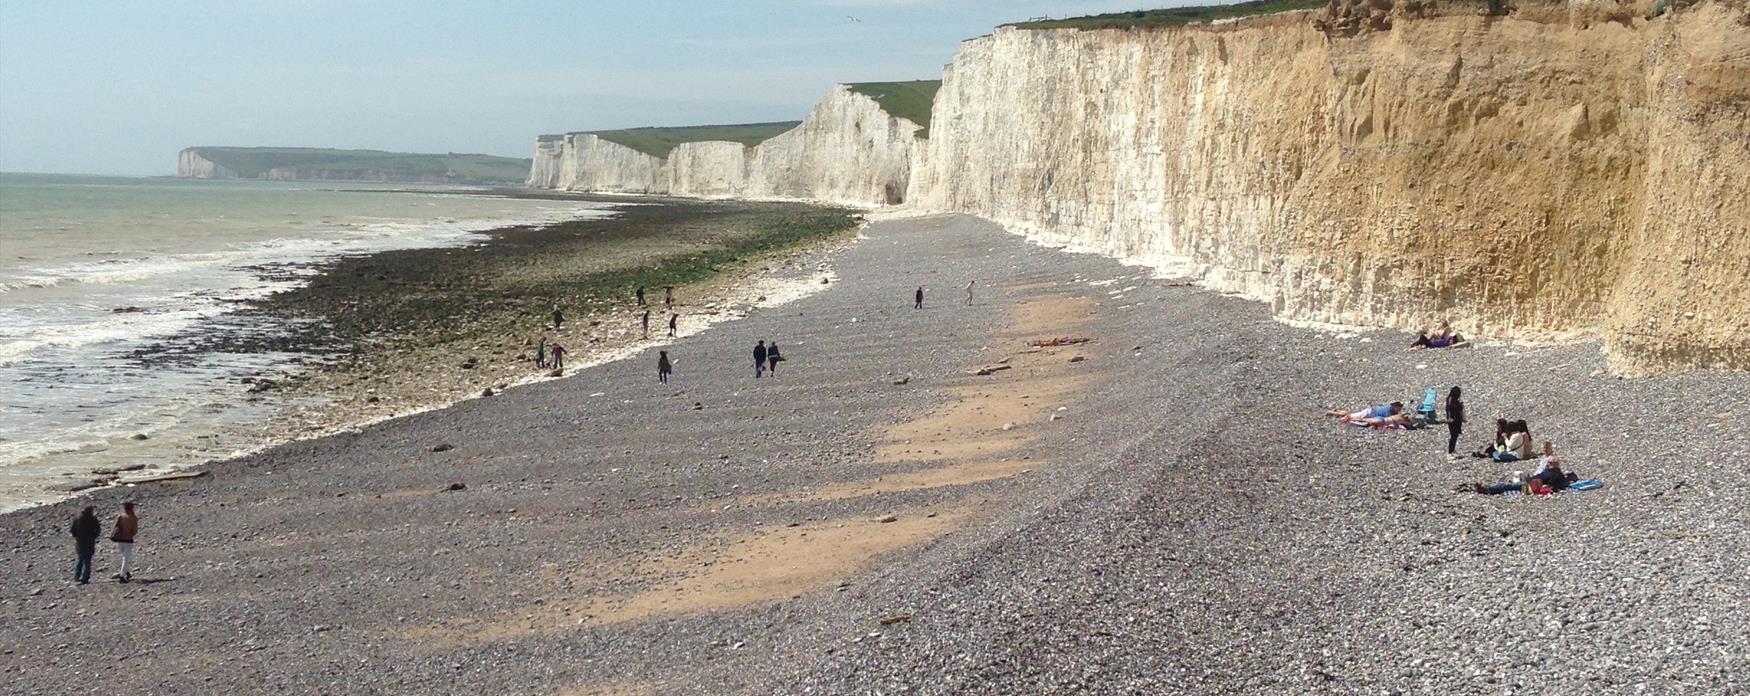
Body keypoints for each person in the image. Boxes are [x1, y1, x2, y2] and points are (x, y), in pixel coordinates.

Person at [1473, 442, 1571, 495]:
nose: (1548, 464)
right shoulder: (1549, 470)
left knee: (1508, 486)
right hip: (1530, 481)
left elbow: (1556, 486)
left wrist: (1548, 488)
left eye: (1550, 463)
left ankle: (1487, 489)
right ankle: (1489, 487)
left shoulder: (1557, 474)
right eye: (1549, 463)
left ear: (1556, 464)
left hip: (1531, 486)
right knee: (1509, 481)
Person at [70, 506, 101, 585]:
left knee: (80, 559)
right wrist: (94, 536)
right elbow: (97, 530)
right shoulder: (92, 519)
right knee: (87, 561)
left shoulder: (77, 518)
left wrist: (77, 537)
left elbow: (72, 530)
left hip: (80, 542)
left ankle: (77, 576)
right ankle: (85, 578)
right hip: (89, 542)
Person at [111, 502, 137, 583]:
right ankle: (122, 576)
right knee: (126, 558)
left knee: (124, 557)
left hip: (120, 539)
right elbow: (135, 530)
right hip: (128, 540)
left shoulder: (121, 516)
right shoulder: (133, 518)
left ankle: (127, 572)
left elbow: (116, 527)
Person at [1326, 402, 1403, 425]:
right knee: (1351, 416)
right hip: (1369, 413)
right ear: (1394, 407)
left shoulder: (1391, 409)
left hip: (1371, 411)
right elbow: (1389, 419)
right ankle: (1334, 413)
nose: (1400, 409)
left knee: (1352, 414)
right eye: (1399, 408)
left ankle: (1337, 412)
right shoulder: (1389, 411)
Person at [1444, 386, 1466, 456]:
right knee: (1454, 436)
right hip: (1455, 421)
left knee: (1453, 435)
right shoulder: (1455, 402)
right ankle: (1451, 450)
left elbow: (1448, 410)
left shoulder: (1448, 399)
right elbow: (1458, 410)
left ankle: (1451, 450)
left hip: (1450, 420)